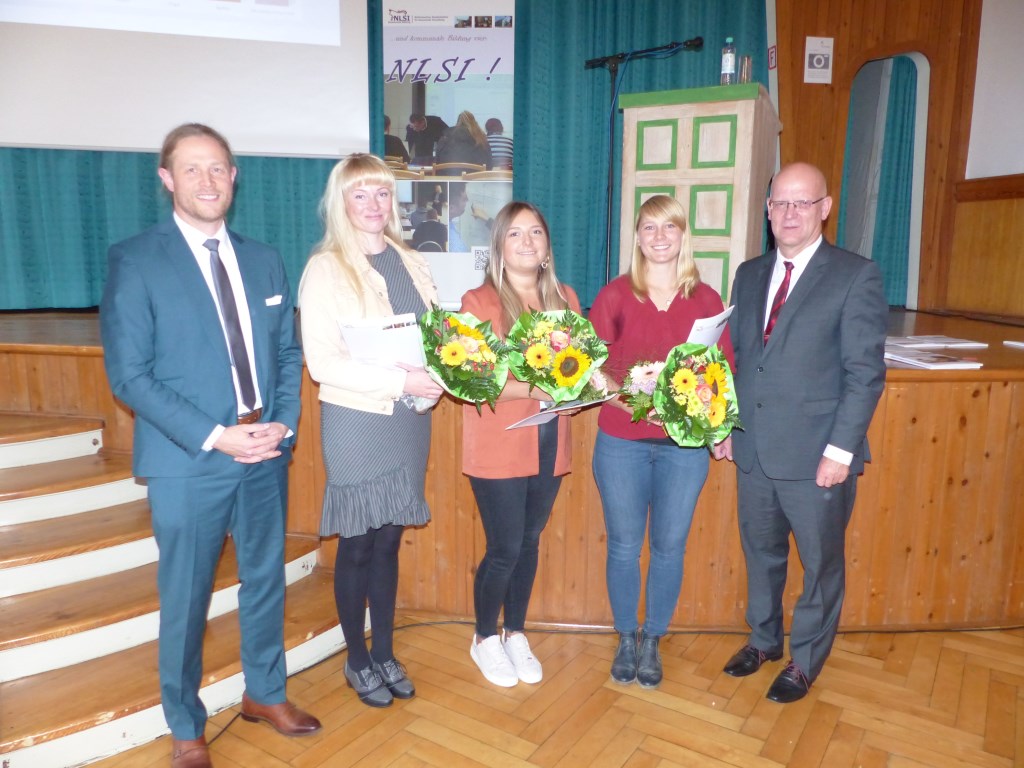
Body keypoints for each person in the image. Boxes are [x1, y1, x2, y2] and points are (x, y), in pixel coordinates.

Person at [100, 123, 321, 768]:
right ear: (167, 179)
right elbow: (129, 376)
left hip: (265, 449)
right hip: (190, 459)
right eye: (192, 168)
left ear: (234, 177)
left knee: (265, 580)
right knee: (187, 598)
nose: (207, 180)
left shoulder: (264, 258)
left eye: (218, 167)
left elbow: (287, 352)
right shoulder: (136, 259)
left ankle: (265, 693)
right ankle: (186, 724)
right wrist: (218, 436)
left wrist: (282, 424)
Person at [713, 162, 887, 704]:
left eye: (802, 203)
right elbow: (741, 360)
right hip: (754, 448)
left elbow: (864, 374)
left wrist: (840, 451)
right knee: (761, 554)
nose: (789, 214)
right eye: (780, 203)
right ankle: (764, 640)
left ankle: (805, 660)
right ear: (767, 210)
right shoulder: (748, 274)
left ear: (825, 208)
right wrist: (725, 423)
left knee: (820, 565)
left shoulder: (855, 275)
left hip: (817, 455)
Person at [297, 153, 443, 709]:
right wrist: (401, 381)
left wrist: (440, 373)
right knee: (358, 543)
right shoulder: (325, 268)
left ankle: (384, 650)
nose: (373, 204)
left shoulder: (411, 260)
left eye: (382, 192)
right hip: (357, 419)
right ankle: (356, 659)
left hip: (408, 420)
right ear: (341, 202)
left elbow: (435, 338)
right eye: (360, 194)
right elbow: (322, 364)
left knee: (388, 541)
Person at [589, 195, 734, 689]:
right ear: (637, 237)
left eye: (668, 227)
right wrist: (635, 402)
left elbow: (721, 371)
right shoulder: (614, 295)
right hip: (622, 442)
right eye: (648, 228)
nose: (659, 237)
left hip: (683, 449)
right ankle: (626, 637)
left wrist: (717, 431)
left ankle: (653, 637)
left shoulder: (707, 299)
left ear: (682, 234)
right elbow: (591, 370)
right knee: (624, 546)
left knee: (670, 547)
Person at [460, 201, 580, 687]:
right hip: (499, 444)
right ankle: (484, 637)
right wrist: (538, 388)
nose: (527, 241)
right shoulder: (478, 302)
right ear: (499, 247)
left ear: (547, 246)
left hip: (550, 440)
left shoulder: (566, 299)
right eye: (515, 233)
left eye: (535, 232)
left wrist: (603, 392)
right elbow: (472, 380)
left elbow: (582, 368)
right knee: (505, 547)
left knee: (529, 542)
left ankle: (515, 632)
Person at [447, 182, 470, 252]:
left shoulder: (450, 224)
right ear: (451, 208)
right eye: (464, 199)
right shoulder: (456, 246)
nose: (467, 200)